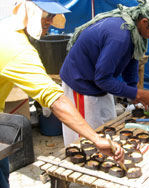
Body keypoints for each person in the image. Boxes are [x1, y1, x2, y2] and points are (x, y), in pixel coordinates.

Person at [0, 0, 124, 187]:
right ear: (31, 11)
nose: (50, 21)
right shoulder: (17, 49)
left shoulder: (6, 26)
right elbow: (55, 100)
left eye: (52, 15)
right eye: (46, 15)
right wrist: (96, 139)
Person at [60, 0, 149, 146]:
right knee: (84, 138)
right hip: (80, 82)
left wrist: (133, 89)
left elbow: (132, 59)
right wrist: (137, 94)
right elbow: (102, 79)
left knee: (107, 125)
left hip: (99, 80)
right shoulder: (120, 36)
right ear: (145, 22)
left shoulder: (134, 30)